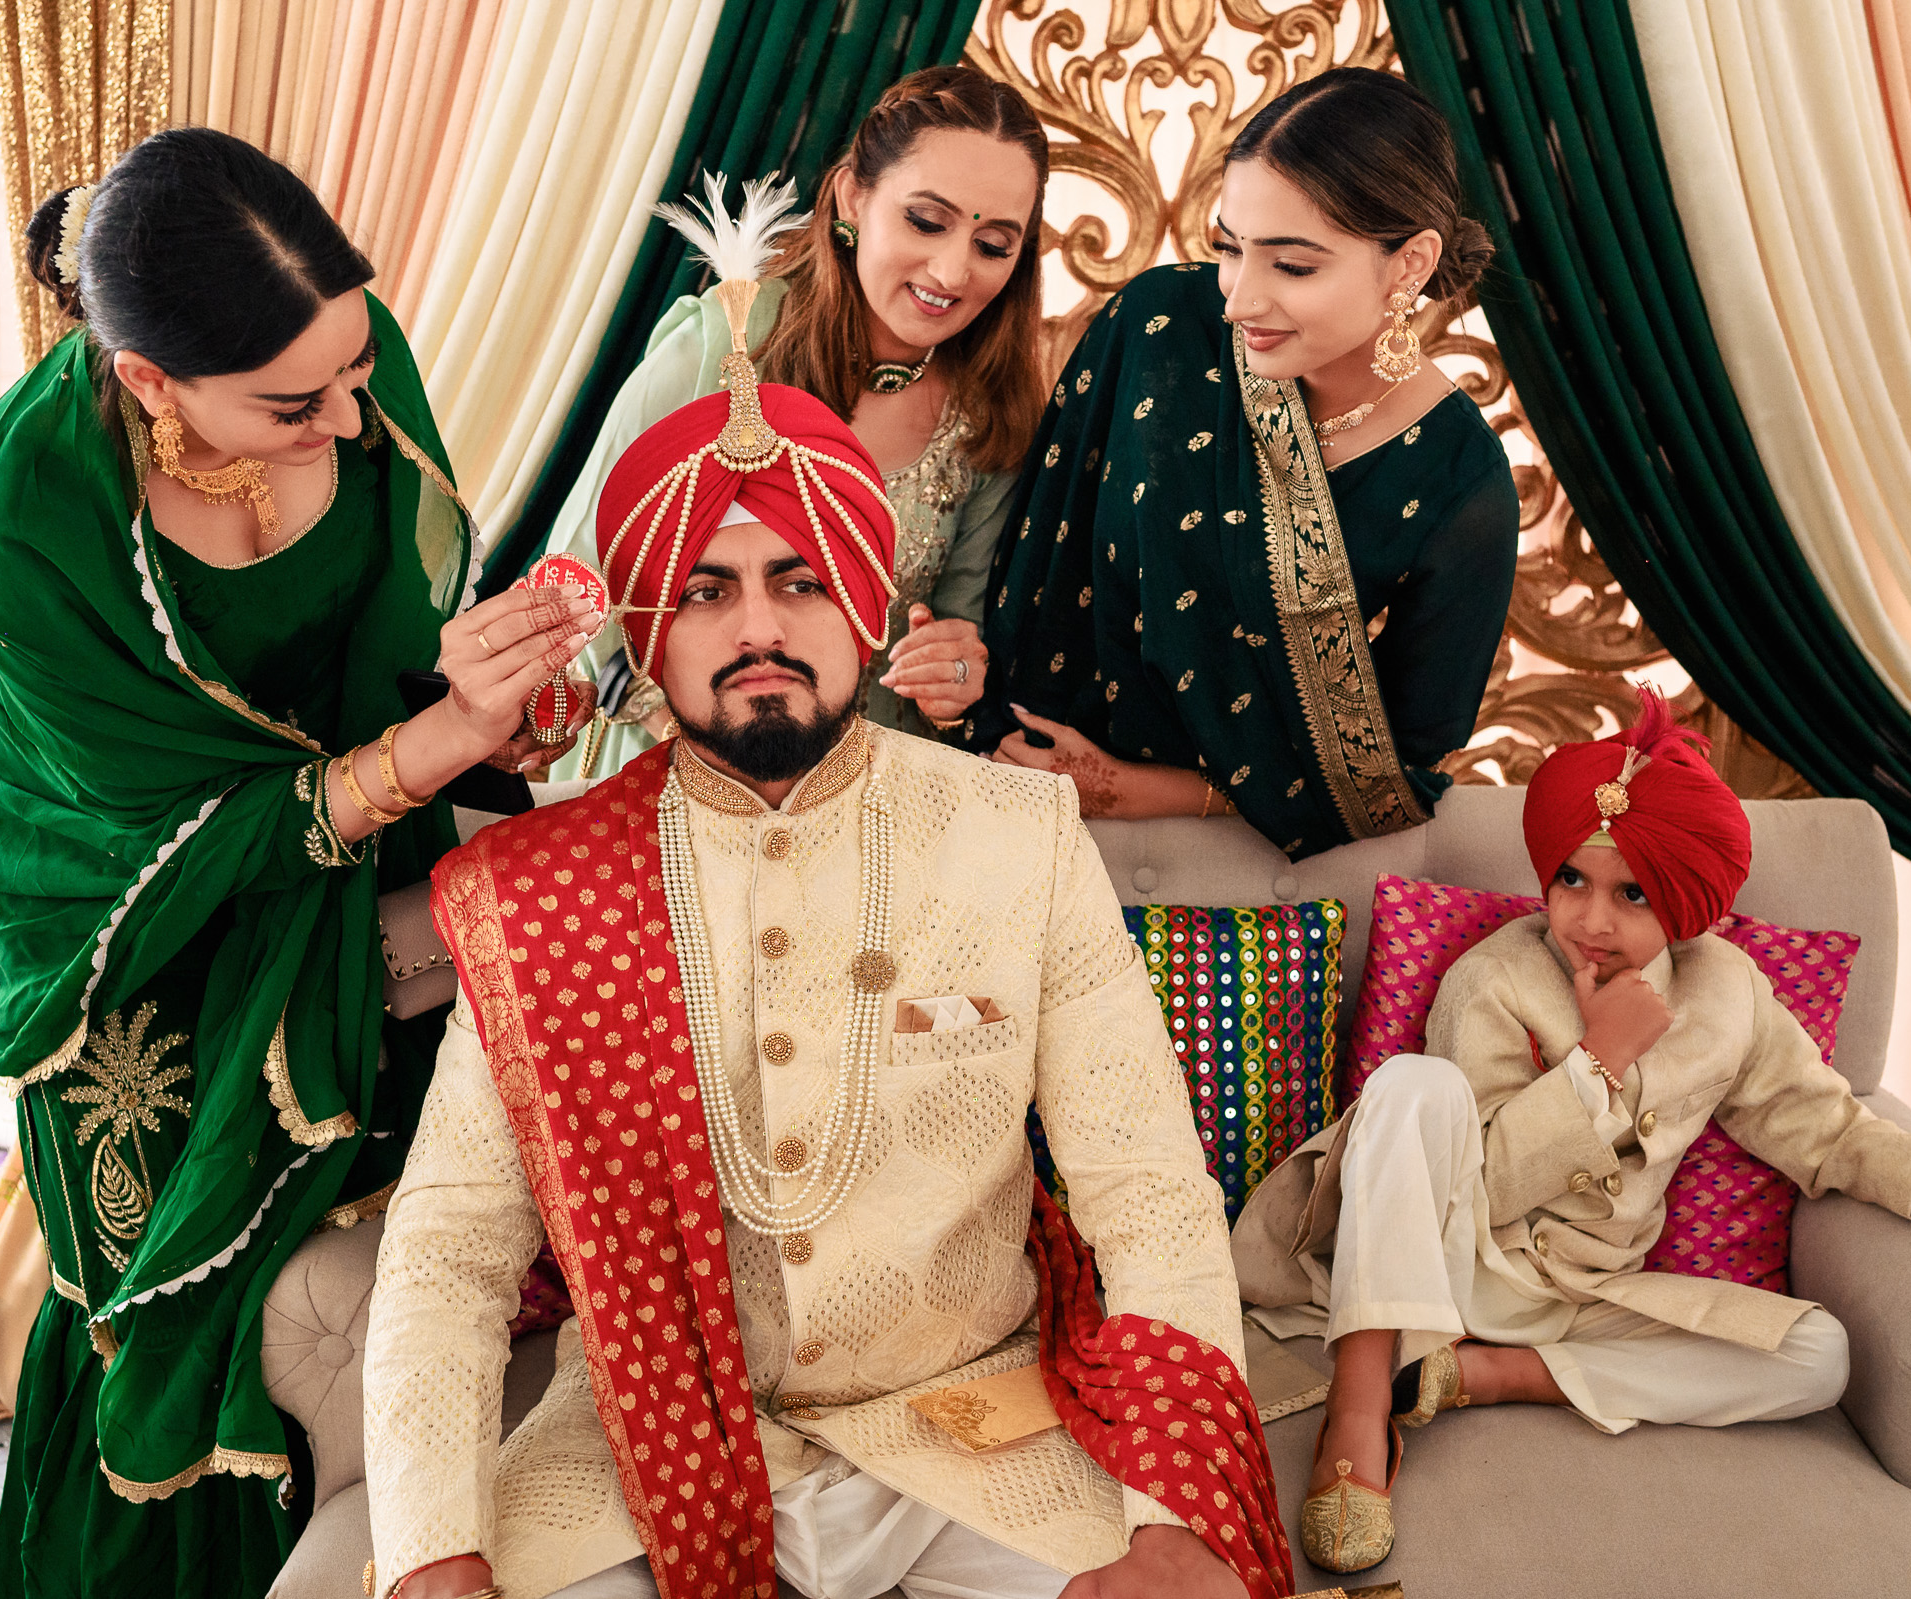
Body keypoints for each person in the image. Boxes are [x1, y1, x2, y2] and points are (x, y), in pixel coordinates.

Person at [361, 209, 1289, 1599]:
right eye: (705, 592)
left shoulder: (1016, 834)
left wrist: (1175, 1518)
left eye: (799, 581)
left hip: (976, 1427)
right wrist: (432, 1551)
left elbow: (1146, 1192)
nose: (758, 629)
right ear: (645, 638)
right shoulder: (543, 894)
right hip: (642, 1451)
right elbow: (448, 1255)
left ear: (864, 605)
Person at [0, 127, 599, 1598]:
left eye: (359, 371)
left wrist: (493, 709)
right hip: (127, 889)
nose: (350, 417)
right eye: (296, 404)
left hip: (364, 818)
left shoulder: (339, 358)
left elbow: (398, 624)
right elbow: (176, 817)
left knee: (395, 1188)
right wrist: (434, 747)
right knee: (168, 1285)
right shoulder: (24, 507)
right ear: (149, 380)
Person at [1228, 692, 1911, 1573]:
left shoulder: (1726, 992)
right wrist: (1598, 1062)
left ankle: (1481, 1375)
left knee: (1819, 1355)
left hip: (1583, 1301)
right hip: (1446, 1261)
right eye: (1571, 880)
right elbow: (1487, 1184)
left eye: (1630, 892)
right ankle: (1360, 1412)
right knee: (1412, 1084)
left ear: (1681, 900)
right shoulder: (1495, 977)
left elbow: (1829, 1128)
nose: (1592, 920)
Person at [973, 67, 1518, 859]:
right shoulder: (1161, 327)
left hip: (1223, 859)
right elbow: (1029, 568)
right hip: (1004, 794)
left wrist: (1139, 792)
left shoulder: (1461, 485)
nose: (1238, 300)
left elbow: (1396, 775)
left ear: (1409, 264)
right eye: (1230, 248)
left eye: (1292, 266)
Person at [542, 63, 1050, 774]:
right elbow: (572, 585)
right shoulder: (723, 346)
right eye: (925, 221)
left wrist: (958, 676)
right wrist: (699, 740)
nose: (951, 271)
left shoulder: (988, 407)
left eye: (993, 245)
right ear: (852, 198)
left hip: (875, 793)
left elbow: (962, 630)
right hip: (683, 772)